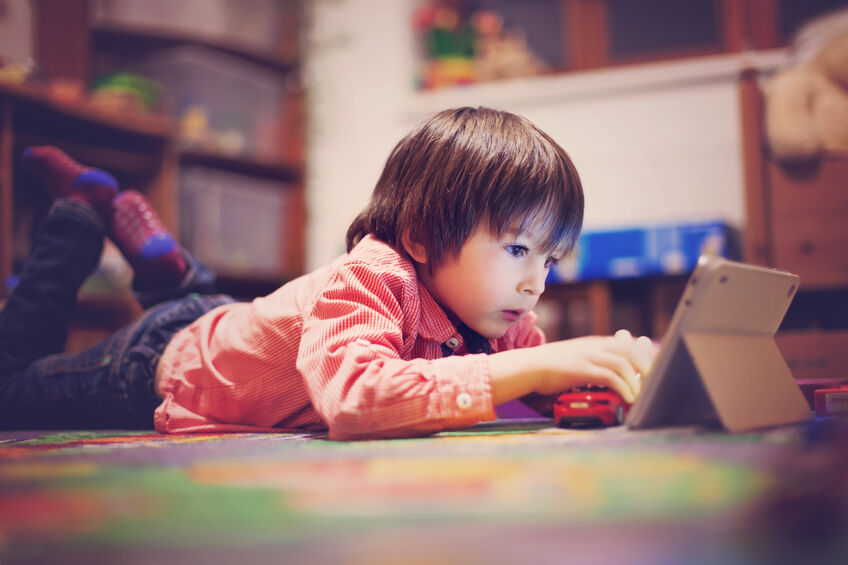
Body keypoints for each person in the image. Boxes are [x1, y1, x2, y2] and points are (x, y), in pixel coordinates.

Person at [0, 107, 655, 440]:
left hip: (232, 329)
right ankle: (78, 219)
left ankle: (169, 269)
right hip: (155, 364)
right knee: (11, 385)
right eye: (518, 250)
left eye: (551, 258)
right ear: (421, 235)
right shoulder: (372, 276)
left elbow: (539, 384)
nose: (537, 281)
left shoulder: (498, 311)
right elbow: (355, 396)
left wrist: (605, 377)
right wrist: (540, 367)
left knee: (212, 311)